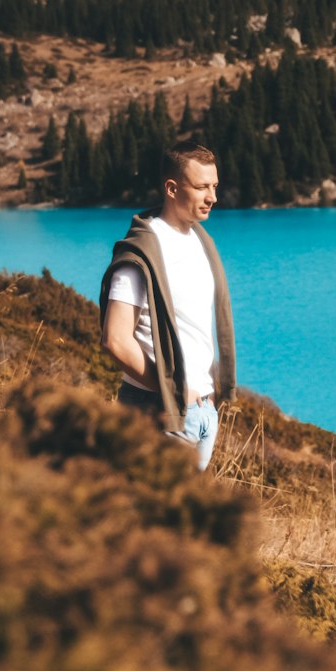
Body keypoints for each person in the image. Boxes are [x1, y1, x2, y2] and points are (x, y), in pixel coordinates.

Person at [99, 140, 236, 470]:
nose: (213, 197)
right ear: (172, 188)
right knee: (151, 518)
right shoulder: (144, 251)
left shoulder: (201, 243)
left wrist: (204, 400)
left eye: (215, 186)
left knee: (184, 519)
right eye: (202, 187)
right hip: (159, 411)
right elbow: (115, 340)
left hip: (201, 412)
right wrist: (173, 391)